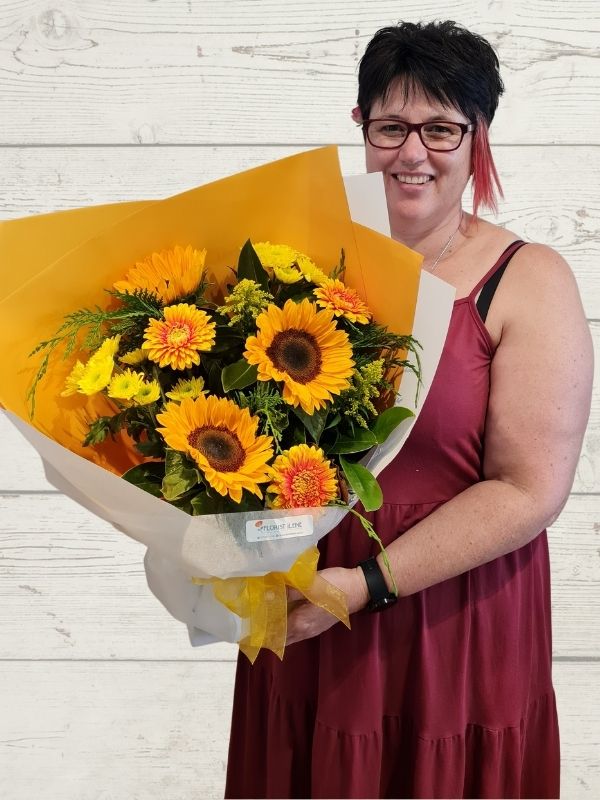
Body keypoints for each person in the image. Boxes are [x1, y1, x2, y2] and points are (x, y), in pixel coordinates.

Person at [225, 20, 593, 799]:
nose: (413, 153)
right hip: (302, 612)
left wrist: (362, 587)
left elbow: (531, 489)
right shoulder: (298, 262)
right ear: (361, 128)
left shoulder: (528, 280)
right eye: (391, 126)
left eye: (440, 128)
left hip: (455, 625)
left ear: (478, 136)